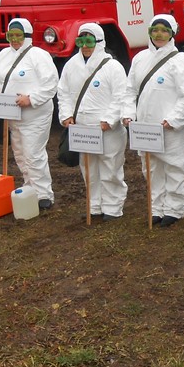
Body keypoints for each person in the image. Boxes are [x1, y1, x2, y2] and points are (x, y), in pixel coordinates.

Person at [121, 14, 184, 227]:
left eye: (165, 30)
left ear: (173, 33)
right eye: (155, 30)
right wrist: (128, 113)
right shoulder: (139, 59)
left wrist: (173, 119)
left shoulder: (181, 60)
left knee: (174, 167)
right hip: (145, 129)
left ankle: (174, 208)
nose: (159, 35)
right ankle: (157, 207)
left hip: (170, 128)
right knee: (151, 169)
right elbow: (130, 91)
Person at [57, 23, 128, 221]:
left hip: (106, 129)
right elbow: (63, 92)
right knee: (88, 168)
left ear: (99, 42)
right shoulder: (72, 65)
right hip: (83, 128)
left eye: (89, 41)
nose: (85, 46)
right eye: (81, 41)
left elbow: (120, 95)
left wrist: (109, 119)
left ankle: (113, 207)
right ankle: (94, 204)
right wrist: (66, 115)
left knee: (110, 167)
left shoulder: (112, 66)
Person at [0, 18, 59, 210]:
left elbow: (51, 83)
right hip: (12, 116)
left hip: (35, 116)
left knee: (33, 154)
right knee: (20, 154)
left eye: (19, 35)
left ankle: (44, 193)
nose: (14, 39)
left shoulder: (39, 56)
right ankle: (30, 186)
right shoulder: (3, 55)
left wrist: (31, 98)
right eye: (10, 35)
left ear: (27, 36)